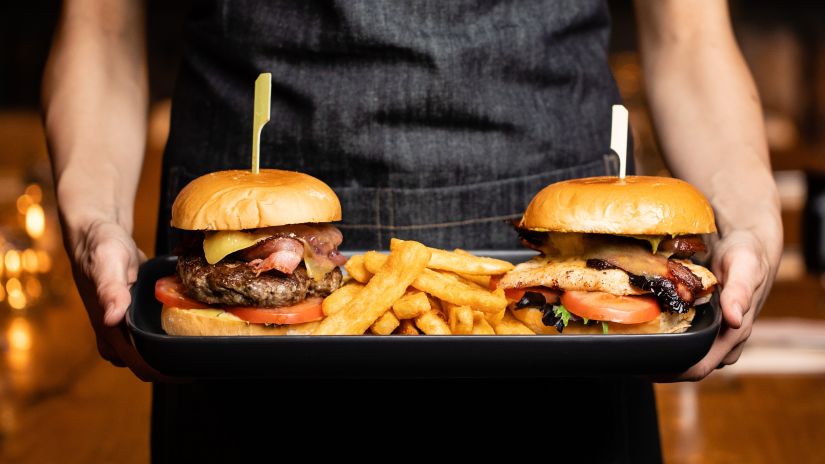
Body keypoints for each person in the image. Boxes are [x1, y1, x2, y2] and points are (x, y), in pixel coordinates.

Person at [42, 0, 782, 462]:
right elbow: (99, 24)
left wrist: (748, 220)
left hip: (566, 342)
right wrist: (92, 219)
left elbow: (689, 39)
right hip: (242, 343)